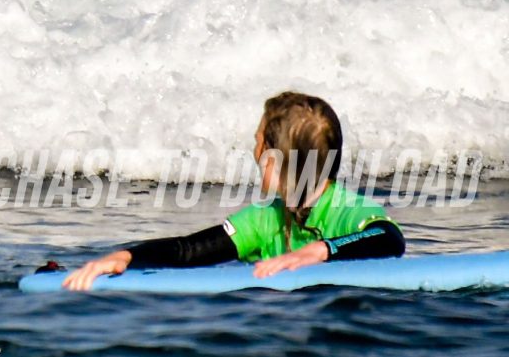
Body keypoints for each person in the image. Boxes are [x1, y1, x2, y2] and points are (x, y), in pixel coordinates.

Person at [60, 92, 403, 289]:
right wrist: (126, 257)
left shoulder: (346, 208)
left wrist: (320, 251)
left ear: (273, 161)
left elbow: (388, 238)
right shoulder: (265, 219)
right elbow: (191, 251)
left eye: (258, 142)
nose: (253, 151)